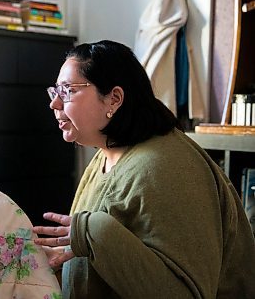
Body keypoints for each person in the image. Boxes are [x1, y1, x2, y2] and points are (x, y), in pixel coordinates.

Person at [32, 40, 255, 298]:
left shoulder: (165, 168)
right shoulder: (107, 153)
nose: (54, 104)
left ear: (114, 99)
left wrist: (94, 232)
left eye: (68, 90)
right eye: (54, 92)